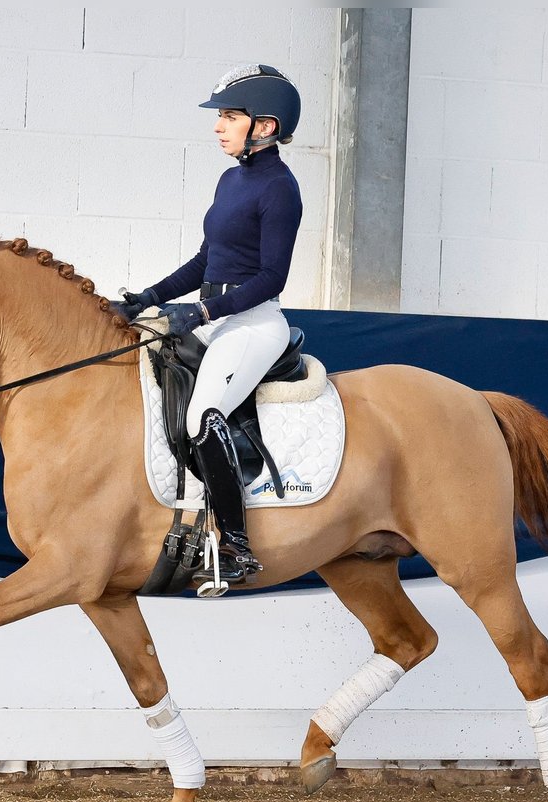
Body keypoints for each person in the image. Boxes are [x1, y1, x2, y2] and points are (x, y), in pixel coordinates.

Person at [116, 63, 303, 586]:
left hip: (251, 324)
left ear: (264, 126)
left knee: (204, 414)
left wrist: (201, 312)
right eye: (219, 117)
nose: (218, 127)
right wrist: (149, 297)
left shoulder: (280, 189)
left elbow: (272, 277)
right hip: (214, 318)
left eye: (229, 117)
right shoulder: (230, 179)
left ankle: (238, 545)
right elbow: (207, 261)